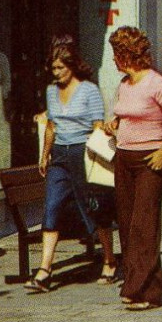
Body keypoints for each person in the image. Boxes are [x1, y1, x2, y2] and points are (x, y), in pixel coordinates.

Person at [105, 26, 162, 311]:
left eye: (116, 54)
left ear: (126, 54)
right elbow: (122, 117)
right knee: (127, 226)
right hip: (123, 158)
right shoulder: (125, 85)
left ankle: (146, 291)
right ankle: (137, 285)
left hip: (148, 160)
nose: (114, 60)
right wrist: (113, 125)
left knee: (145, 225)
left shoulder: (155, 83)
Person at [27, 41, 117, 293]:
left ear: (72, 67)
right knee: (52, 206)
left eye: (60, 68)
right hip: (60, 156)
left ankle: (109, 259)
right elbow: (52, 127)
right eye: (53, 68)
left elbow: (98, 126)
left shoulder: (89, 91)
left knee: (94, 206)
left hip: (83, 152)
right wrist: (44, 156)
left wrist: (96, 153)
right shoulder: (50, 91)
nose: (56, 73)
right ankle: (45, 270)